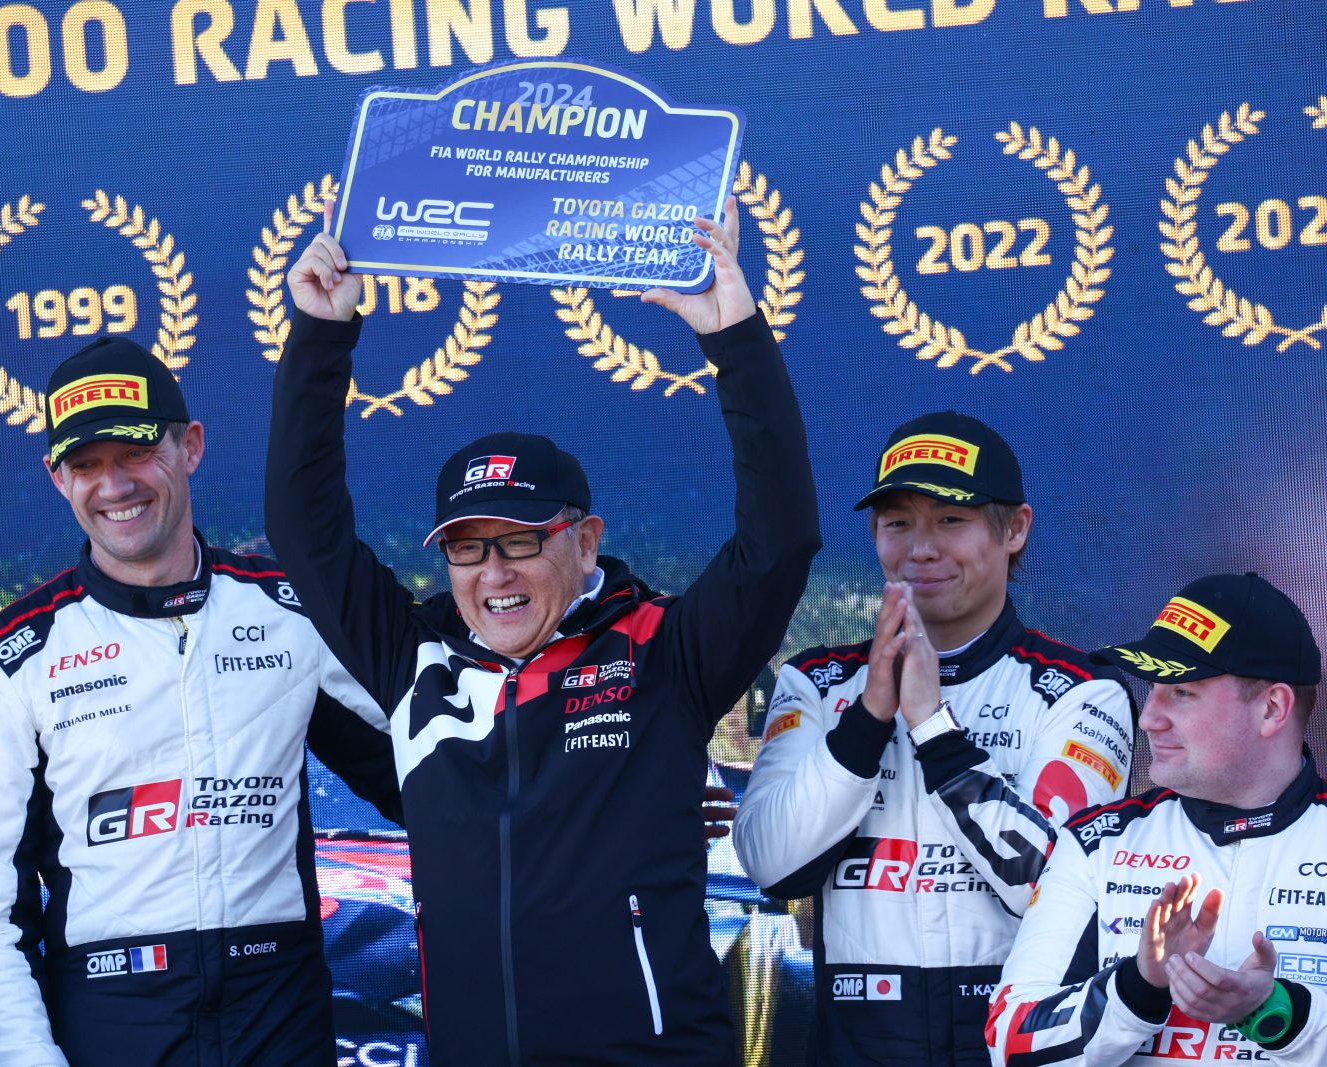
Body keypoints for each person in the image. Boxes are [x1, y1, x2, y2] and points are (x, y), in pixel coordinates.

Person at [266, 198, 820, 1066]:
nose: (494, 572)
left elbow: (780, 540)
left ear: (585, 540)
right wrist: (320, 337)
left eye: (522, 540)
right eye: (467, 547)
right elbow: (307, 531)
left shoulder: (664, 650)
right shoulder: (413, 660)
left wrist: (735, 339)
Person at [0, 338, 401, 1066]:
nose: (114, 485)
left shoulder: (294, 612)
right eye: (85, 465)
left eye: (135, 452)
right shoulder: (9, 657)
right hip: (111, 1021)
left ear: (190, 446)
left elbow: (431, 778)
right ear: (57, 478)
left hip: (280, 1015)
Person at [734, 412, 1137, 1065]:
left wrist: (934, 730)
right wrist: (868, 718)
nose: (921, 548)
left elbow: (1057, 890)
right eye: (897, 523)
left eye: (951, 519)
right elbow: (772, 865)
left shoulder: (1082, 692)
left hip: (1014, 1042)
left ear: (1015, 529)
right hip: (856, 1045)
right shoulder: (816, 682)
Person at [987, 572, 1325, 1064]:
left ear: (1272, 708)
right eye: (1152, 689)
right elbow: (1010, 1044)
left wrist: (1281, 1012)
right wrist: (1138, 985)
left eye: (1181, 692)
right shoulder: (1097, 843)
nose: (1148, 718)